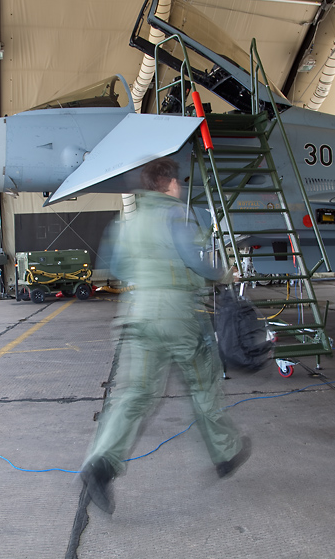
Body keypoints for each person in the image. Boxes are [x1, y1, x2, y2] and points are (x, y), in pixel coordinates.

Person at [80, 157, 251, 514]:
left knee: (135, 394)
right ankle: (226, 453)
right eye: (180, 182)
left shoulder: (127, 221)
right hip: (176, 313)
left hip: (136, 312)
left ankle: (101, 464)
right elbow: (193, 259)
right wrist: (222, 275)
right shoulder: (176, 214)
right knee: (203, 385)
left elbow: (116, 266)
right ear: (171, 183)